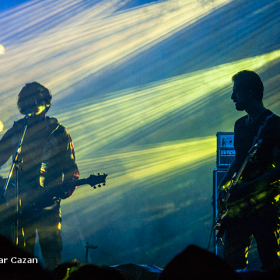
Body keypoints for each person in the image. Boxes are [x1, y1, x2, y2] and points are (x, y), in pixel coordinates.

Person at [0, 82, 79, 270]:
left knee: (52, 255)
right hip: (20, 205)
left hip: (48, 205)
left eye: (37, 100)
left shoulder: (58, 132)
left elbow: (71, 169)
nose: (33, 104)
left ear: (46, 103)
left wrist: (62, 190)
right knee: (21, 258)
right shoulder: (17, 131)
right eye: (28, 101)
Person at [217, 70, 280, 270]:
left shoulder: (274, 124)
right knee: (231, 263)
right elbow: (239, 159)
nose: (232, 97)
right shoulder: (239, 125)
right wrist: (221, 185)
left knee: (270, 262)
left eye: (236, 92)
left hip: (264, 204)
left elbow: (279, 170)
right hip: (238, 205)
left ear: (250, 93)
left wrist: (249, 186)